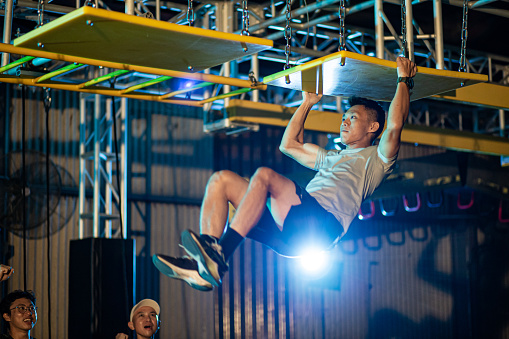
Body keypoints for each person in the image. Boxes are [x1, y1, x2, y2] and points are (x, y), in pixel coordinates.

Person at [153, 57, 417, 290]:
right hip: (291, 234)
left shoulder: (378, 159)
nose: (344, 121)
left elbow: (394, 125)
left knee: (264, 176)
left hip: (321, 225)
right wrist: (307, 104)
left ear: (372, 126)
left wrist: (403, 80)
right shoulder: (332, 157)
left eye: (352, 117)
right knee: (221, 180)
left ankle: (218, 254)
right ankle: (203, 266)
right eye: (344, 117)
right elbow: (288, 145)